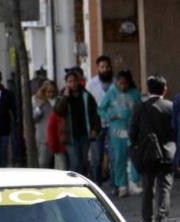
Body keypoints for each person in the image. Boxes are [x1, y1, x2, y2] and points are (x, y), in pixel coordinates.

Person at [130, 75, 176, 222]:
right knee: (165, 186)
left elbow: (133, 132)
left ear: (148, 90)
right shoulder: (170, 107)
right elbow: (175, 129)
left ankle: (147, 220)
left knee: (148, 187)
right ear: (164, 89)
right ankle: (161, 218)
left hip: (147, 153)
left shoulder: (140, 107)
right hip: (167, 152)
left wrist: (137, 146)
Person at [98, 70, 142, 197]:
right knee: (119, 158)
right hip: (117, 130)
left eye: (125, 84)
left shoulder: (135, 94)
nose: (122, 86)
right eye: (120, 84)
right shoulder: (111, 92)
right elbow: (100, 109)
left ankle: (134, 183)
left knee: (134, 157)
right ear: (116, 83)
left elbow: (140, 110)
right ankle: (121, 185)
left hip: (132, 129)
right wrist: (111, 116)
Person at [54, 70, 101, 175]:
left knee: (84, 162)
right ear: (66, 83)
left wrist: (95, 129)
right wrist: (65, 97)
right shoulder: (63, 95)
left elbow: (95, 113)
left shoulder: (86, 95)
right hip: (70, 136)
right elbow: (58, 111)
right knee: (75, 162)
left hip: (84, 134)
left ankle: (83, 182)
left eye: (74, 81)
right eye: (70, 82)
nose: (73, 84)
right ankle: (73, 184)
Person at [87, 56, 114, 187]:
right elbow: (89, 106)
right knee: (97, 157)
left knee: (114, 156)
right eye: (102, 67)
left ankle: (115, 184)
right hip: (97, 125)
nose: (105, 69)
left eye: (107, 67)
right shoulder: (91, 84)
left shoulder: (116, 82)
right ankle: (97, 185)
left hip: (114, 124)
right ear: (98, 68)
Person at [32, 80, 58, 168]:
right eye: (48, 91)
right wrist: (40, 106)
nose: (51, 94)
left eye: (53, 91)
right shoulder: (37, 100)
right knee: (43, 162)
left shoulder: (58, 100)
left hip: (58, 137)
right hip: (44, 137)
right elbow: (34, 118)